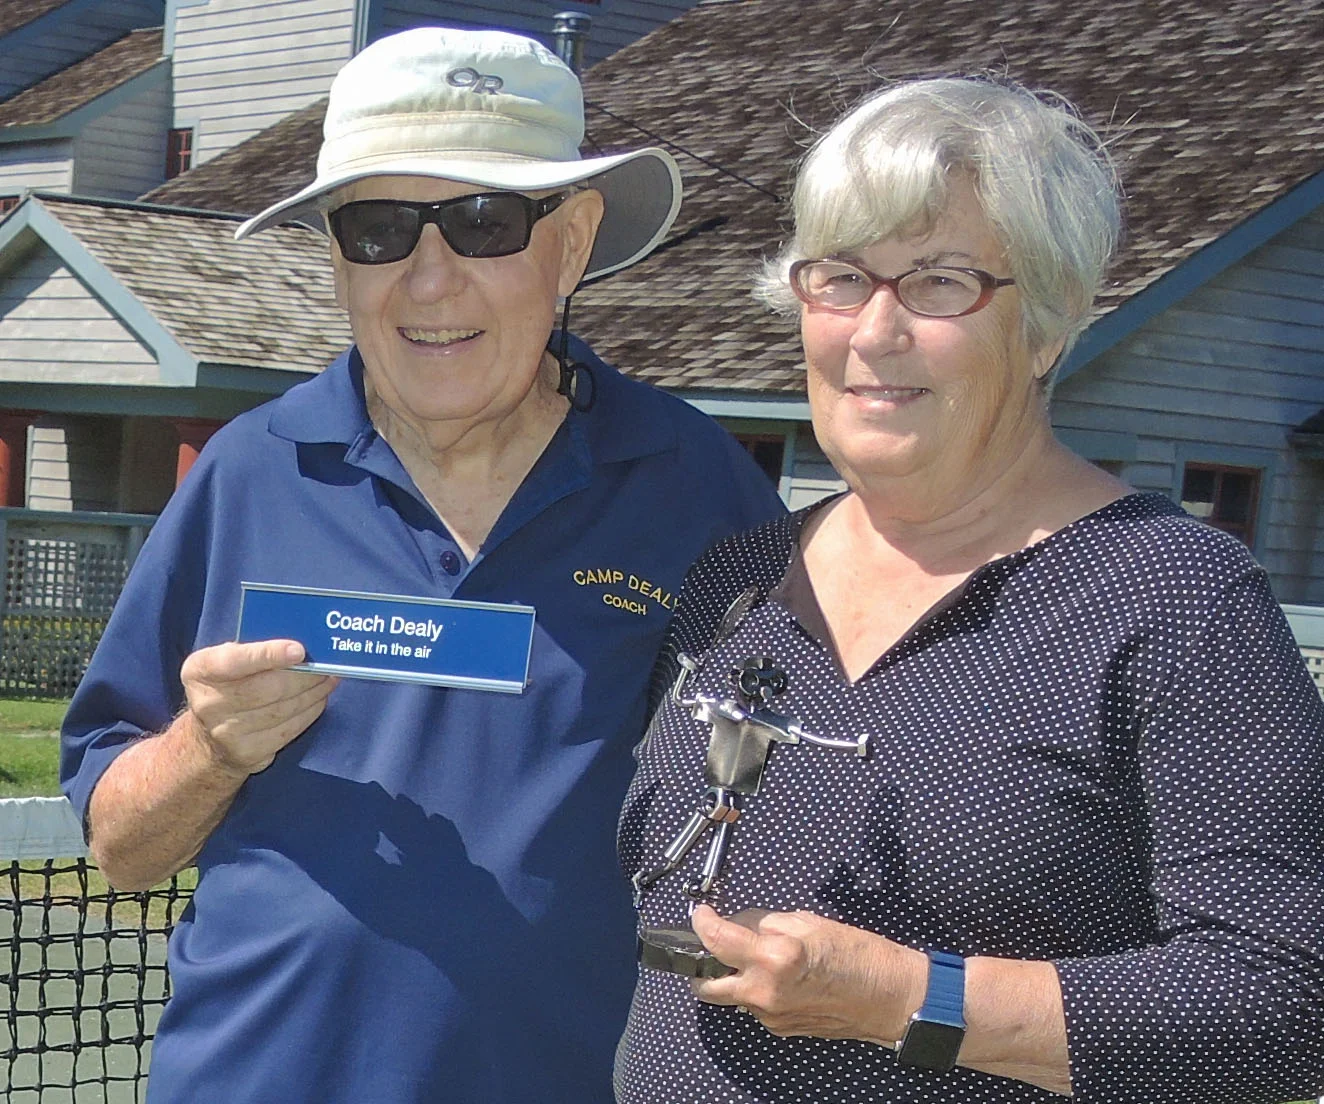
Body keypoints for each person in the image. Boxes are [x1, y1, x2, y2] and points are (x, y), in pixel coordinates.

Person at [60, 27, 784, 1104]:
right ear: (338, 258)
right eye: (380, 229)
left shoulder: (699, 489)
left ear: (572, 242)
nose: (429, 279)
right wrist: (207, 748)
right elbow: (121, 850)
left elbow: (791, 810)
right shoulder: (246, 473)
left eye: (485, 222)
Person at [616, 77, 1324, 1104]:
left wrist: (908, 999)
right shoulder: (739, 579)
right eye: (842, 278)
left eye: (939, 283)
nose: (874, 331)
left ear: (1046, 326)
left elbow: (1286, 1004)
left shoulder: (1169, 597)